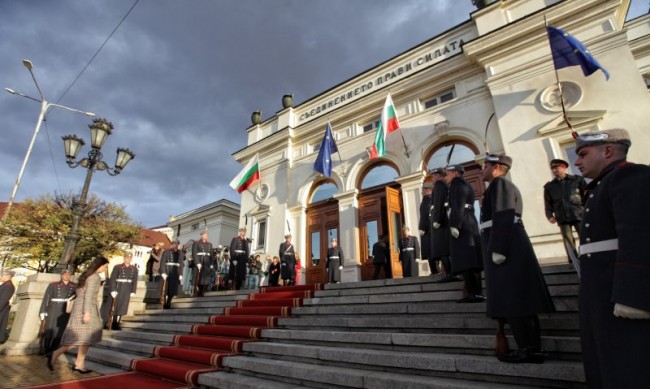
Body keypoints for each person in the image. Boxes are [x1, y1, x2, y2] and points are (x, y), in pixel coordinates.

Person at [573, 129, 650, 387]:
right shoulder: (601, 185)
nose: (577, 162)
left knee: (627, 363)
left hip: (619, 289)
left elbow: (639, 233)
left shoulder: (629, 175)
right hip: (600, 289)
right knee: (606, 359)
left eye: (583, 154)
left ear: (607, 151)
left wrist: (633, 294)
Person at [480, 154, 556, 364]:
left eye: (485, 165)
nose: (481, 170)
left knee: (516, 300)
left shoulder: (500, 185)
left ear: (495, 166)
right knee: (516, 299)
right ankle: (530, 347)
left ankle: (529, 349)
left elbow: (503, 216)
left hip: (507, 248)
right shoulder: (497, 185)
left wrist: (498, 248)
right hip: (506, 245)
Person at [48, 257, 109, 374]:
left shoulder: (85, 275)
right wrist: (87, 312)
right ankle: (64, 356)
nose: (104, 269)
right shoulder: (95, 277)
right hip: (87, 308)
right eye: (104, 266)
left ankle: (78, 364)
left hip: (78, 307)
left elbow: (81, 292)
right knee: (85, 338)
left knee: (82, 339)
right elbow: (89, 295)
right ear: (99, 265)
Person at [445, 164, 484, 303]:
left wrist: (455, 224)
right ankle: (474, 292)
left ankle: (474, 293)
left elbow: (458, 203)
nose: (446, 176)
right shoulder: (465, 184)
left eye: (448, 173)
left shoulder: (458, 184)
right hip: (469, 221)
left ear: (455, 173)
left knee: (466, 259)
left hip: (462, 223)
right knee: (470, 259)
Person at [543, 158, 585, 261]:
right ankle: (573, 260)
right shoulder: (549, 186)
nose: (554, 170)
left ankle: (588, 256)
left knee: (584, 236)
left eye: (556, 167)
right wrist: (550, 216)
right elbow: (548, 204)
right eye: (552, 168)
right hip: (562, 215)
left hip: (579, 213)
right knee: (568, 239)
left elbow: (587, 196)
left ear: (564, 167)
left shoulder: (577, 180)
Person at [39, 269, 77, 354]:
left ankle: (53, 349)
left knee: (60, 331)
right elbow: (47, 298)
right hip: (53, 308)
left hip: (65, 309)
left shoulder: (74, 286)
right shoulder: (53, 285)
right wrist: (43, 310)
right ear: (61, 275)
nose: (66, 276)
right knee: (49, 329)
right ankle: (46, 349)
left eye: (68, 274)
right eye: (65, 274)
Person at [429, 167, 455, 282]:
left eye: (433, 176)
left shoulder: (439, 185)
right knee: (443, 249)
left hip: (441, 222)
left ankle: (450, 274)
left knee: (443, 249)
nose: (432, 178)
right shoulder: (443, 185)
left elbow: (438, 203)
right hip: (444, 220)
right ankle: (449, 273)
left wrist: (437, 220)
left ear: (439, 175)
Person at [106, 251, 138, 330]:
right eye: (127, 258)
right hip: (118, 287)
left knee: (123, 306)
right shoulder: (118, 267)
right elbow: (113, 279)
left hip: (127, 288)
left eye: (130, 258)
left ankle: (118, 322)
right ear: (124, 258)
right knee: (115, 305)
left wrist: (133, 290)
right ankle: (112, 322)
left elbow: (135, 280)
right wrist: (112, 290)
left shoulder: (134, 268)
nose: (128, 259)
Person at [160, 239, 184, 309]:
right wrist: (163, 272)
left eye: (177, 244)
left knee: (173, 289)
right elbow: (162, 262)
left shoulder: (180, 253)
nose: (176, 245)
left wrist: (181, 274)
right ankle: (163, 302)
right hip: (168, 270)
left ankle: (169, 302)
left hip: (175, 272)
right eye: (174, 243)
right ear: (172, 244)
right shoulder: (166, 252)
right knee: (165, 288)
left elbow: (181, 264)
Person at [419, 181, 435, 274]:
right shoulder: (434, 199)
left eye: (423, 190)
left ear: (428, 190)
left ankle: (434, 271)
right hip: (433, 228)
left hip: (427, 230)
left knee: (429, 251)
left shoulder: (426, 200)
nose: (422, 192)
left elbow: (424, 215)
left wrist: (422, 228)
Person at [192, 230, 214, 296]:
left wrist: (212, 264)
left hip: (207, 263)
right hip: (200, 261)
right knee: (198, 279)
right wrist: (197, 262)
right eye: (204, 235)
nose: (206, 236)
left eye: (207, 235)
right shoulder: (197, 243)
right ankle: (197, 291)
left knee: (205, 279)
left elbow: (211, 256)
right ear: (201, 235)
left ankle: (203, 292)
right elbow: (194, 253)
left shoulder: (210, 244)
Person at [0, 269, 16, 344]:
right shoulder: (5, 285)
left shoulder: (9, 286)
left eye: (1, 275)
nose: (0, 277)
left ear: (7, 276)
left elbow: (2, 301)